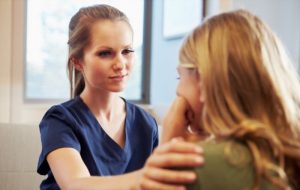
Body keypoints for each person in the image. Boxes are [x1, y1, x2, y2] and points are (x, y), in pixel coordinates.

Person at [37, 4, 203, 190]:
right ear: (78, 62)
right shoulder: (60, 120)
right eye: (105, 53)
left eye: (126, 51)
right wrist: (150, 175)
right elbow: (76, 184)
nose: (120, 64)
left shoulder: (146, 123)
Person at [162, 9, 300, 190]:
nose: (178, 91)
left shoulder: (198, 164)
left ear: (204, 82)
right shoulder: (284, 154)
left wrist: (167, 155)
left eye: (180, 78)